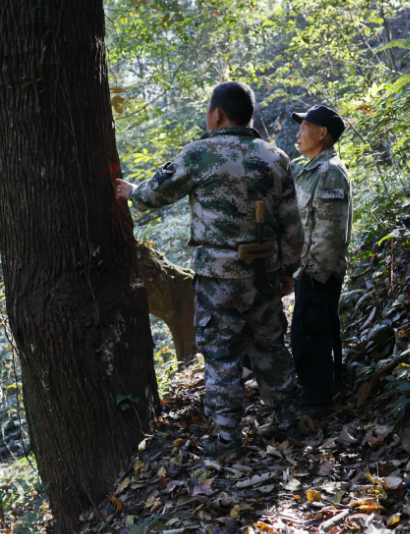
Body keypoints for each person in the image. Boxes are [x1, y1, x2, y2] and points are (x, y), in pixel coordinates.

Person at [114, 82, 305, 456]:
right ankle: (288, 421)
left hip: (218, 277)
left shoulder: (200, 153)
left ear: (217, 114)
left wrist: (131, 192)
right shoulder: (276, 156)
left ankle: (229, 438)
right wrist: (288, 270)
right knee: (270, 346)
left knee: (221, 355)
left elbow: (153, 196)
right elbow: (291, 225)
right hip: (265, 273)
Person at [290, 104, 351, 417]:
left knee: (309, 339)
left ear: (322, 133)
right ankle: (326, 393)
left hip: (318, 274)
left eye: (305, 127)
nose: (298, 133)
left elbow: (329, 232)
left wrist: (311, 274)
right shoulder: (313, 169)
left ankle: (317, 409)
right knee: (317, 334)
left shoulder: (329, 172)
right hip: (311, 272)